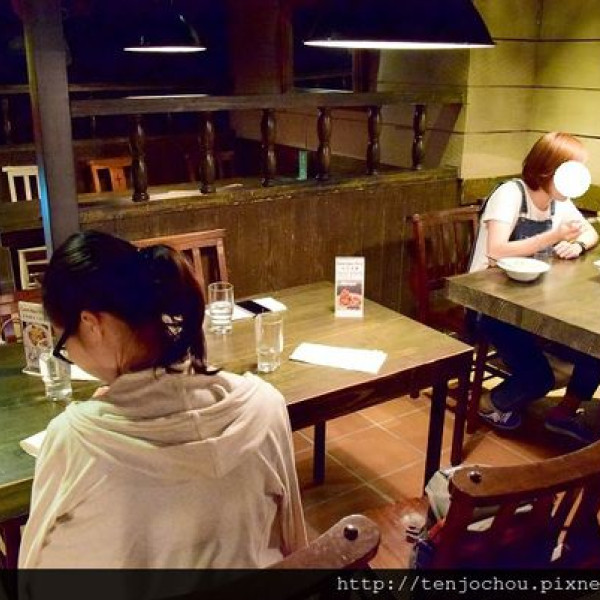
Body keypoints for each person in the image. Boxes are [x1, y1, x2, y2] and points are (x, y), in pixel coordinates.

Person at [19, 230, 307, 568]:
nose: (68, 352)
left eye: (63, 342)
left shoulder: (75, 440)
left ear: (91, 324)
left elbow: (32, 574)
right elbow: (293, 543)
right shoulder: (265, 406)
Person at [469, 132, 600, 443]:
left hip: (536, 303)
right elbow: (497, 250)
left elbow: (591, 233)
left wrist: (577, 245)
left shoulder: (559, 202)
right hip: (490, 306)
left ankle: (563, 414)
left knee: (595, 347)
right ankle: (489, 403)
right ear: (548, 169)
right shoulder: (511, 194)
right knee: (540, 378)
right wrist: (553, 237)